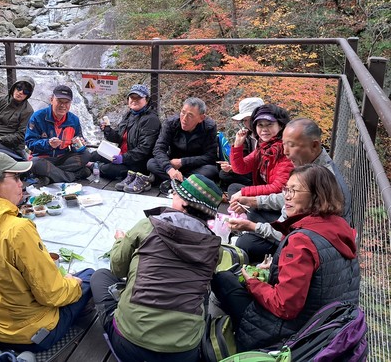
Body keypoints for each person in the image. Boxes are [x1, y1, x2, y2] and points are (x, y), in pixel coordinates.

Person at [0, 152, 95, 352]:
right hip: (32, 335)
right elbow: (52, 295)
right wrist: (74, 283)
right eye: (16, 178)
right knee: (90, 276)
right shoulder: (18, 229)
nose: (22, 184)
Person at [212, 164, 360, 351]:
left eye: (294, 190)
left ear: (317, 195)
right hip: (326, 329)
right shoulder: (340, 225)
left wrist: (253, 283)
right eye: (286, 189)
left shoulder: (301, 242)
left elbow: (285, 307)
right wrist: (276, 267)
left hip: (289, 335)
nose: (287, 196)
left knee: (223, 279)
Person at [90, 174, 222, 362]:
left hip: (129, 344)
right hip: (184, 353)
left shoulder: (147, 226)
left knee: (100, 276)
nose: (172, 195)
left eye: (176, 193)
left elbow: (117, 268)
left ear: (184, 204)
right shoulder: (215, 247)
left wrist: (121, 240)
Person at [228, 118, 353, 262]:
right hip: (292, 221)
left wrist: (253, 227)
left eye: (292, 145)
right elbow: (286, 197)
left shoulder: (322, 181)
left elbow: (292, 232)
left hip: (307, 242)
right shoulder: (307, 163)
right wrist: (253, 201)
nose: (285, 152)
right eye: (284, 144)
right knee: (252, 210)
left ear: (314, 145)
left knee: (246, 243)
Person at [89, 84, 161, 193]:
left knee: (107, 169)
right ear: (128, 100)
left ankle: (93, 167)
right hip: (121, 154)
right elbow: (119, 138)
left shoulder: (151, 120)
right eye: (132, 98)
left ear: (146, 100)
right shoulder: (129, 115)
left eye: (139, 98)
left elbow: (145, 149)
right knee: (94, 154)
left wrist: (123, 158)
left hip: (137, 163)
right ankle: (90, 166)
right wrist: (107, 130)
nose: (134, 101)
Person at [228, 104, 293, 217]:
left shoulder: (285, 150)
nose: (264, 129)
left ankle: (248, 220)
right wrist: (238, 145)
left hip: (281, 203)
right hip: (266, 195)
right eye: (260, 125)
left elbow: (277, 188)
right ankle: (246, 217)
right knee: (234, 188)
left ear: (281, 126)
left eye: (269, 124)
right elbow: (240, 168)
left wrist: (244, 193)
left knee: (247, 206)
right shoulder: (264, 147)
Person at [147, 97, 219, 194]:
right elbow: (159, 149)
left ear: (201, 118)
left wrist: (183, 162)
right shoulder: (171, 123)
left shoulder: (209, 127)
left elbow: (210, 156)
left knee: (211, 170)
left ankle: (176, 182)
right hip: (173, 165)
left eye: (190, 115)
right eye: (183, 112)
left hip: (195, 166)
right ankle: (187, 183)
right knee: (151, 163)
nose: (184, 119)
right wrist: (170, 169)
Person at [25, 85, 92, 184]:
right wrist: (48, 144)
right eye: (59, 101)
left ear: (70, 103)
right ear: (51, 100)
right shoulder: (37, 117)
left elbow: (77, 145)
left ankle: (50, 175)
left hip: (63, 158)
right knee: (35, 163)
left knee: (86, 154)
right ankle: (74, 175)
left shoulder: (74, 120)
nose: (63, 105)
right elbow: (30, 143)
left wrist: (78, 144)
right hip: (44, 159)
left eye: (66, 102)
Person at [218, 97, 264, 190]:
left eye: (251, 119)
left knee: (233, 187)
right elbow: (241, 160)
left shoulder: (267, 136)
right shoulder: (247, 135)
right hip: (251, 170)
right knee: (224, 174)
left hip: (265, 173)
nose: (248, 124)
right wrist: (237, 144)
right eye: (245, 120)